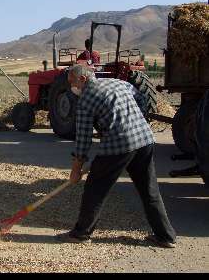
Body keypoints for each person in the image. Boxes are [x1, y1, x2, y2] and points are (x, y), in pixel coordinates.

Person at [57, 65, 177, 248]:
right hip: (144, 139)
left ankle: (81, 233)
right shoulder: (117, 83)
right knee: (149, 190)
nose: (71, 87)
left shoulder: (86, 99)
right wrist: (133, 120)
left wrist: (76, 170)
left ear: (83, 79)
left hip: (118, 145)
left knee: (95, 189)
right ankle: (166, 236)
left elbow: (83, 140)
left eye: (72, 82)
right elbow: (141, 100)